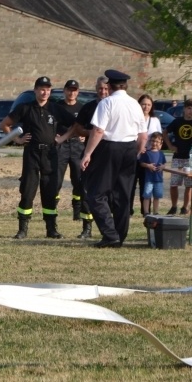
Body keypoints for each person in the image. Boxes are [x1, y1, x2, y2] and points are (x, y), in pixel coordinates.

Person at [80, 69, 146, 248]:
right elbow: (143, 135)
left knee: (96, 193)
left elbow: (98, 131)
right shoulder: (134, 104)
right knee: (123, 195)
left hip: (110, 148)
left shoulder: (106, 103)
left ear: (109, 86)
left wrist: (87, 154)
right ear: (125, 86)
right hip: (130, 148)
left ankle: (110, 234)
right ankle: (119, 235)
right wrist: (137, 152)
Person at [1, 76, 73, 239]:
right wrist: (17, 139)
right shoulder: (25, 108)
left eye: (48, 89)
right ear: (35, 90)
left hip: (51, 154)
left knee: (50, 191)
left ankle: (51, 229)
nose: (45, 92)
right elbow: (4, 124)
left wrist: (62, 138)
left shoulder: (55, 109)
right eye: (42, 89)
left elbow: (75, 125)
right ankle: (22, 228)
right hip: (32, 153)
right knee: (28, 190)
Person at [56, 75, 110, 239]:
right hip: (90, 152)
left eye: (106, 88)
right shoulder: (88, 107)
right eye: (100, 88)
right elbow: (77, 127)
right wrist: (90, 133)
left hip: (110, 152)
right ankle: (87, 228)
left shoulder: (117, 106)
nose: (103, 91)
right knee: (87, 189)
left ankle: (111, 228)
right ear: (96, 88)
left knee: (108, 191)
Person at [54, 79, 85, 221]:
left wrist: (84, 135)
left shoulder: (82, 108)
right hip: (61, 146)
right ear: (64, 91)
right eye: (69, 89)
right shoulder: (57, 107)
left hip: (77, 146)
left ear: (77, 92)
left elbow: (87, 127)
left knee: (78, 180)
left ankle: (77, 212)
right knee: (57, 179)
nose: (71, 92)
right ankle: (52, 209)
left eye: (74, 90)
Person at [163, 98, 192, 216]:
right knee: (174, 184)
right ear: (184, 109)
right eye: (189, 109)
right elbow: (165, 132)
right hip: (177, 156)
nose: (190, 111)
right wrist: (170, 145)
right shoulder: (177, 122)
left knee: (189, 185)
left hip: (190, 158)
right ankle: (174, 206)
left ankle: (185, 206)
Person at [131, 94, 163, 216]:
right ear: (139, 105)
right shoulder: (133, 118)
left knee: (146, 184)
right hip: (134, 156)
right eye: (144, 104)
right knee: (131, 185)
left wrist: (152, 149)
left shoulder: (155, 120)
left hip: (148, 158)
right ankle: (128, 209)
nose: (146, 107)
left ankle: (146, 211)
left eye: (149, 105)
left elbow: (159, 139)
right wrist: (138, 147)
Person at [139, 132, 166, 215]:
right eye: (153, 141)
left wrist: (162, 167)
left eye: (157, 142)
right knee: (147, 196)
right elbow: (141, 163)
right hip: (149, 179)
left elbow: (164, 164)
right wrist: (148, 165)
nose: (154, 143)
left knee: (157, 196)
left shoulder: (161, 153)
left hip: (158, 179)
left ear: (161, 143)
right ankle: (146, 212)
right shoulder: (147, 153)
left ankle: (156, 212)